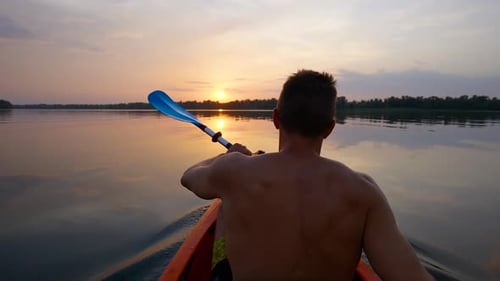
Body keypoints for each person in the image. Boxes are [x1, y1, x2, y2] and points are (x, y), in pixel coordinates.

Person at [181, 70, 433, 281]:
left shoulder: (235, 170)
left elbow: (190, 176)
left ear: (276, 118)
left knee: (225, 206)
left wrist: (227, 156)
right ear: (329, 128)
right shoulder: (363, 192)